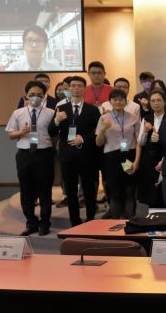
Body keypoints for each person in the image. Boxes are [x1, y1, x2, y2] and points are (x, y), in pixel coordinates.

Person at [48, 76, 101, 226]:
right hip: (67, 156)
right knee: (70, 190)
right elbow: (51, 132)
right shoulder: (61, 108)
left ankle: (91, 219)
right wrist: (56, 121)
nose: (76, 88)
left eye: (79, 86)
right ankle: (75, 221)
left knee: (89, 189)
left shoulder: (92, 110)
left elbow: (98, 134)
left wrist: (83, 138)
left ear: (84, 89)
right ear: (69, 89)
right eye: (73, 86)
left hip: (87, 155)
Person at [5, 80, 56, 236]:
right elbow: (10, 134)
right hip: (24, 154)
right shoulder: (18, 113)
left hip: (44, 154)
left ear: (44, 96)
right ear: (26, 96)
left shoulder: (51, 113)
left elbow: (55, 134)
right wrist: (21, 132)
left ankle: (45, 223)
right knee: (26, 190)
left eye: (39, 95)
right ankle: (31, 222)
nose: (35, 97)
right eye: (32, 94)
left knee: (45, 190)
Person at [95, 88, 141, 219]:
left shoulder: (133, 118)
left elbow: (139, 141)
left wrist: (136, 161)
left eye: (121, 99)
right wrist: (103, 130)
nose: (118, 102)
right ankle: (115, 221)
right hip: (112, 158)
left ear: (126, 101)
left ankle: (129, 220)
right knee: (115, 192)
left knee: (129, 190)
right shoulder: (104, 118)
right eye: (115, 99)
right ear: (110, 101)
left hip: (128, 156)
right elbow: (98, 143)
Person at [136, 89, 166, 209]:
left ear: (165, 101)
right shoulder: (146, 118)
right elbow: (140, 142)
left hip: (165, 158)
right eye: (153, 101)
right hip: (149, 160)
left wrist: (160, 139)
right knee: (151, 197)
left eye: (159, 100)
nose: (156, 103)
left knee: (165, 196)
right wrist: (145, 131)